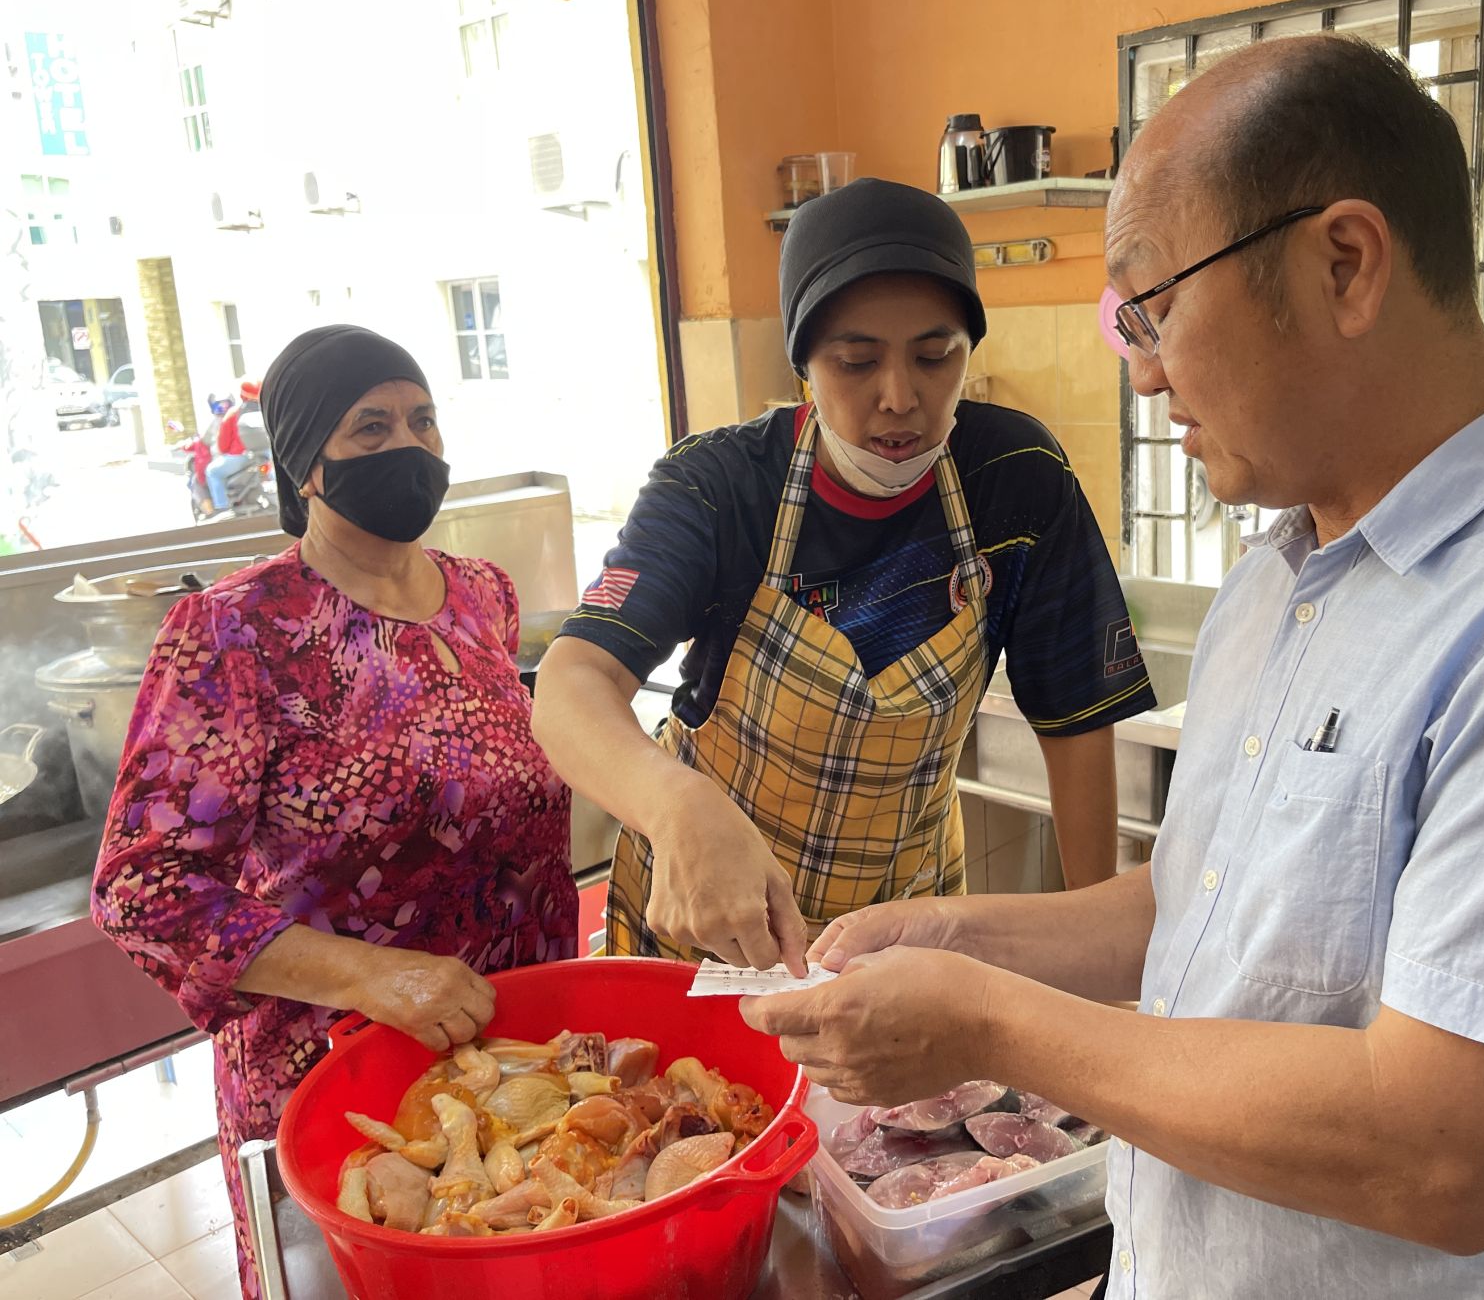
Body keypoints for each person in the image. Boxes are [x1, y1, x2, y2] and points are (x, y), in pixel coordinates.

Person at [739, 37, 1484, 1300]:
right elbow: (1204, 911)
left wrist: (982, 1018)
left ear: (1343, 263)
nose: (1137, 366)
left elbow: (1446, 1148)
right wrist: (959, 933)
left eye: (1155, 303)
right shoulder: (1278, 578)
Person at [533, 177, 1154, 974]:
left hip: (903, 928)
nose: (901, 399)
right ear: (802, 364)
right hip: (711, 930)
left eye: (936, 357)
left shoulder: (1014, 480)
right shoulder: (721, 488)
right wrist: (675, 806)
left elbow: (1075, 724)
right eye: (855, 361)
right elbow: (571, 681)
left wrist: (1090, 953)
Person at [92, 325, 577, 1299]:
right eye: (371, 427)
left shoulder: (480, 596)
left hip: (512, 1066)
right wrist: (374, 977)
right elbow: (144, 890)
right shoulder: (238, 633)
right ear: (306, 461)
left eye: (422, 419)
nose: (409, 445)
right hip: (342, 1083)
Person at [204, 378, 263, 514]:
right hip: (266, 454)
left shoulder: (232, 414)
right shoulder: (265, 409)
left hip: (241, 457)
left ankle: (222, 508)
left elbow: (222, 446)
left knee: (212, 472)